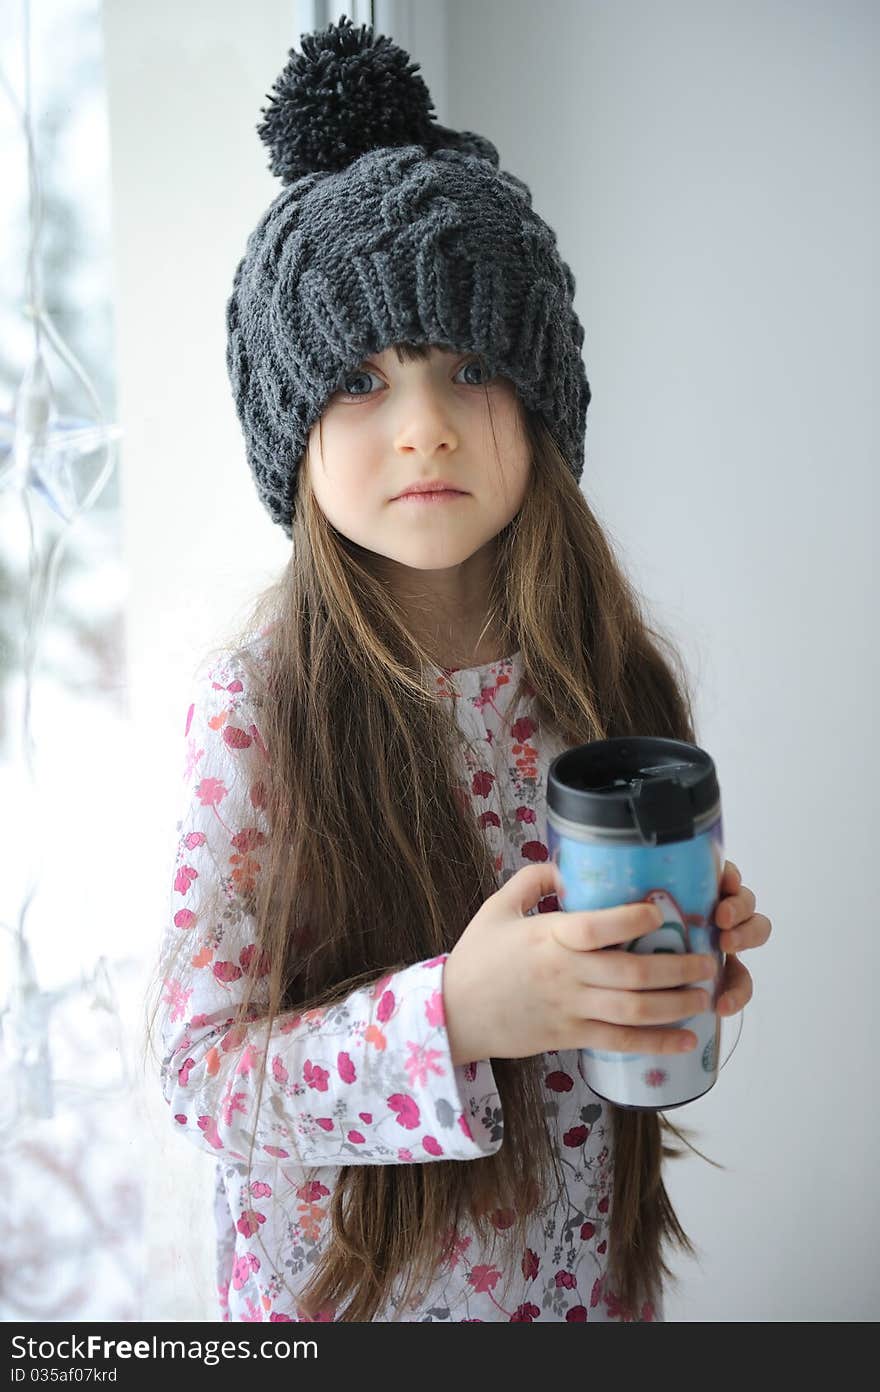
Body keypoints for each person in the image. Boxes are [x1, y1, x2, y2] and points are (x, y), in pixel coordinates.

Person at [148, 16, 771, 1323]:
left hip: (580, 1287)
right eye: (363, 380)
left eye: (470, 366)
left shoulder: (608, 675)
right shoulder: (262, 710)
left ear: (541, 403)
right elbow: (204, 1078)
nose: (422, 425)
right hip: (358, 1300)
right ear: (291, 432)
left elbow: (605, 1020)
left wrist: (666, 966)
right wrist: (457, 1016)